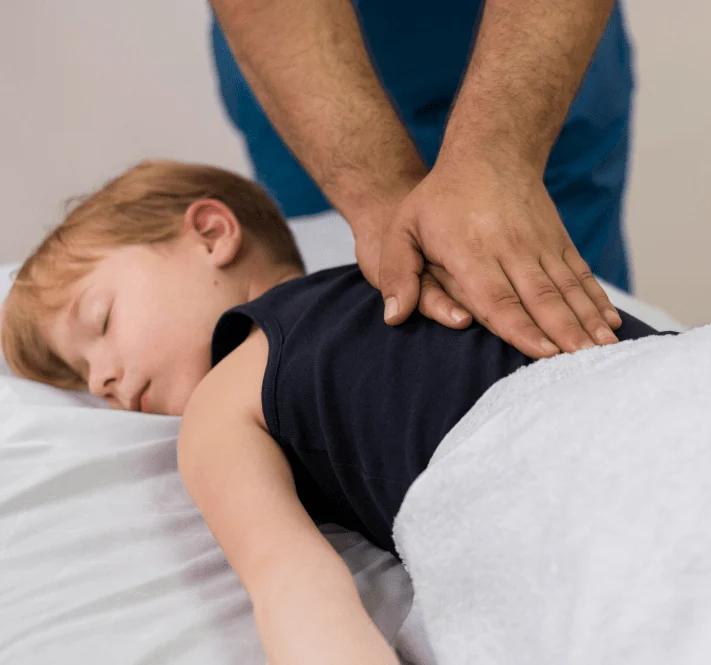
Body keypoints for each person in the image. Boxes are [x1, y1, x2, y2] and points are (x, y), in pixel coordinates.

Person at [0, 161, 668, 663]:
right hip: (607, 484)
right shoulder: (222, 413)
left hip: (645, 387)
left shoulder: (418, 259)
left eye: (101, 319)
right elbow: (290, 579)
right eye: (86, 378)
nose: (105, 377)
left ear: (210, 233)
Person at [208, 0, 636, 361]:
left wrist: (498, 157)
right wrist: (376, 197)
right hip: (311, 61)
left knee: (559, 313)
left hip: (530, 37)